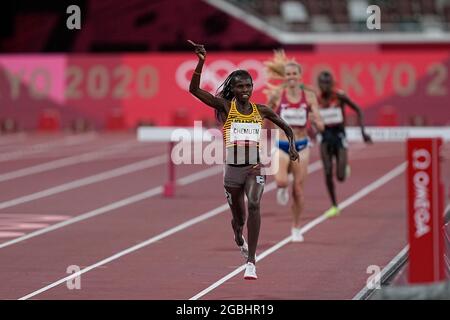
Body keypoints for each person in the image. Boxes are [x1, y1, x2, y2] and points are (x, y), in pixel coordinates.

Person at [187, 40, 299, 280]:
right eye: (240, 86)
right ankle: (238, 235)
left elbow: (287, 127)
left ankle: (252, 262)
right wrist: (201, 62)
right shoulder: (226, 107)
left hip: (254, 167)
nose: (245, 89)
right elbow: (195, 91)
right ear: (234, 89)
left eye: (248, 85)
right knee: (239, 219)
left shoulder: (262, 110)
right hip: (233, 173)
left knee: (255, 204)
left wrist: (292, 146)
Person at [264, 50, 324, 242]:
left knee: (298, 189)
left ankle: (296, 227)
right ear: (285, 76)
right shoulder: (277, 94)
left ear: (299, 76)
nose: (291, 77)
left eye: (294, 74)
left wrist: (318, 122)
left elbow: (318, 117)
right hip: (282, 144)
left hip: (301, 145)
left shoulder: (309, 96)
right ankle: (281, 188)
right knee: (282, 182)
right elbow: (264, 112)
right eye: (288, 74)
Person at [317, 70, 372, 218]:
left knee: (340, 176)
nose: (325, 86)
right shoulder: (316, 100)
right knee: (327, 171)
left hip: (339, 136)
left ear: (332, 84)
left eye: (328, 83)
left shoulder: (339, 96)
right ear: (319, 84)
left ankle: (344, 166)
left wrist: (363, 132)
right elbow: (311, 117)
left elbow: (358, 110)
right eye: (322, 83)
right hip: (324, 138)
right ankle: (334, 205)